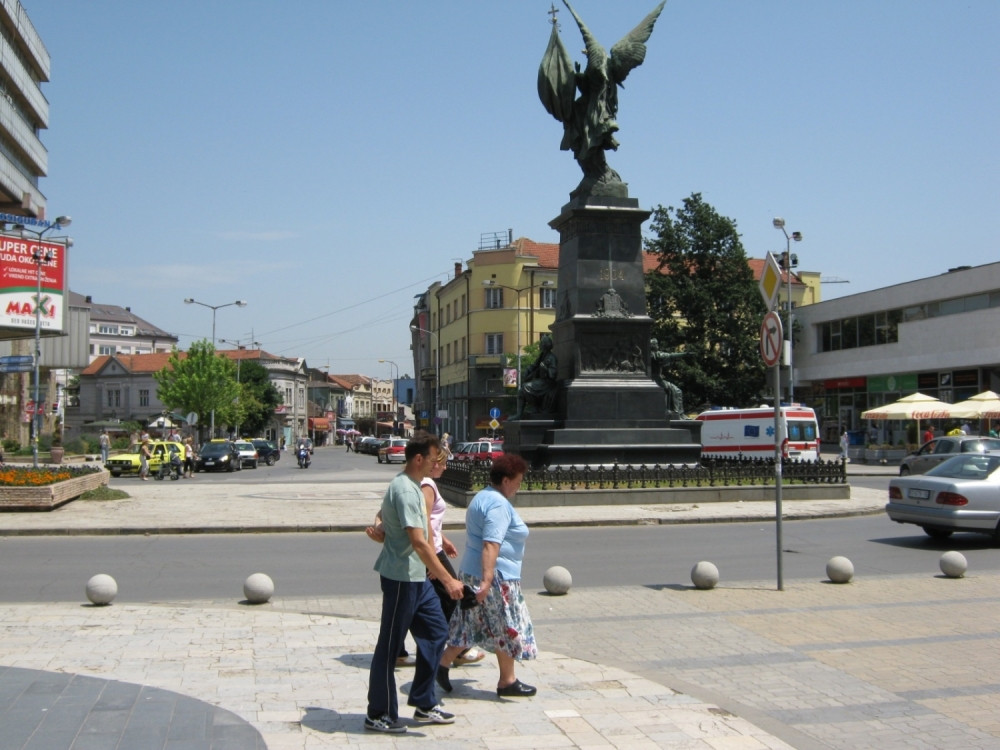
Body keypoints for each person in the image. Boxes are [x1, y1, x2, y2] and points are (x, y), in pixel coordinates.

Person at [364, 431, 464, 734]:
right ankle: (378, 713)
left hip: (417, 577)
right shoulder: (406, 490)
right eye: (433, 459)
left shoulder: (413, 486)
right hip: (401, 578)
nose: (437, 464)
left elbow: (405, 525)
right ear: (419, 459)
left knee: (436, 632)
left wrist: (383, 528)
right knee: (390, 646)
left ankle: (423, 701)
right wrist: (448, 580)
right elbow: (419, 542)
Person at [438, 453, 538, 698]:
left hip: (473, 572)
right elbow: (491, 544)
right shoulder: (498, 505)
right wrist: (487, 580)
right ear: (506, 480)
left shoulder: (481, 496)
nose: (518, 487)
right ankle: (507, 681)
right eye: (517, 481)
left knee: (469, 624)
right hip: (496, 577)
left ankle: (440, 665)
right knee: (506, 626)